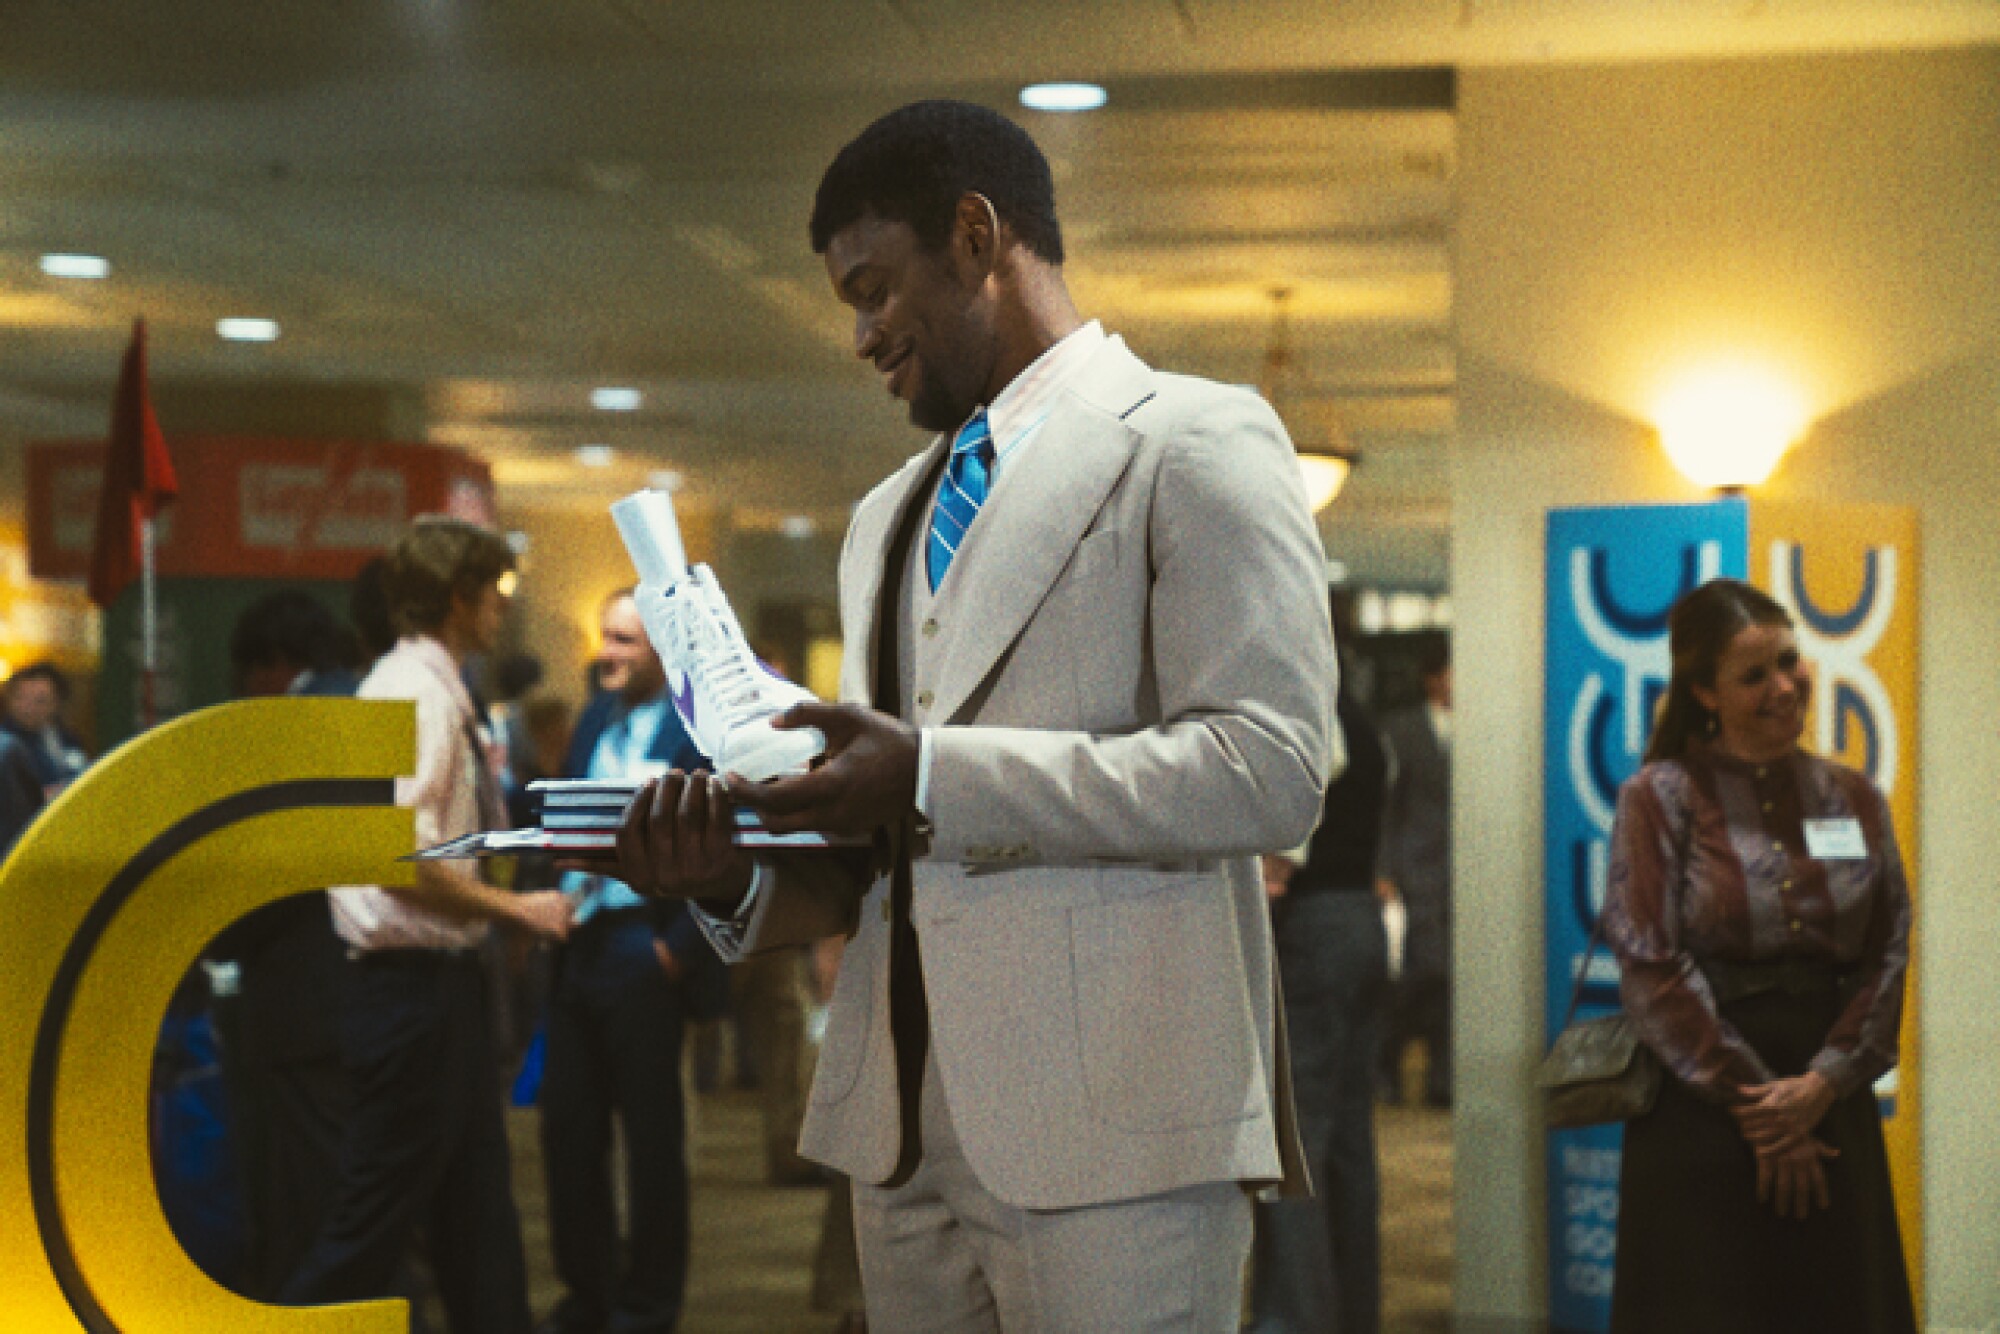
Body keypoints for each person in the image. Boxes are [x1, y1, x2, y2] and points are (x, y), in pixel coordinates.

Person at [601, 100, 1338, 1331]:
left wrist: (937, 773)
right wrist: (726, 873)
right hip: (900, 1137)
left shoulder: (1193, 441)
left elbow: (1266, 769)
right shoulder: (884, 517)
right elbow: (885, 853)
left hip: (1120, 1135)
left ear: (977, 233)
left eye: (875, 288)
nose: (860, 334)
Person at [280, 518, 572, 1334]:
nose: (500, 611)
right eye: (494, 593)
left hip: (434, 988)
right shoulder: (416, 692)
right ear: (458, 597)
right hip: (411, 992)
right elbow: (401, 857)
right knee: (371, 1224)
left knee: (476, 1212)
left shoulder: (426, 684)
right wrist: (518, 908)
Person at [1602, 578, 1915, 1333]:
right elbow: (1650, 963)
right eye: (1754, 676)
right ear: (1705, 692)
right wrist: (1761, 1110)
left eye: (1789, 661)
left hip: (1828, 1097)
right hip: (1703, 1110)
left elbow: (1888, 947)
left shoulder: (1854, 797)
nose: (1784, 687)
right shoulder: (1660, 797)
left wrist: (1820, 1087)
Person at [536, 589, 710, 1334]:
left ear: (664, 652)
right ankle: (590, 1293)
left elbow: (730, 851)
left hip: (649, 944)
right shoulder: (594, 723)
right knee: (566, 1131)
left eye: (625, 641)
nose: (607, 652)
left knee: (650, 1143)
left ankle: (647, 1305)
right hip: (580, 946)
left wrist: (679, 951)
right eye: (607, 637)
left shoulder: (694, 733)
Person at [206, 589, 364, 1297]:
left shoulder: (302, 722)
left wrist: (214, 930)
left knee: (308, 1194)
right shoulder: (360, 700)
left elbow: (279, 874)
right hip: (356, 989)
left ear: (272, 663)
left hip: (302, 995)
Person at [1252, 641, 1392, 1334]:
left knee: (1294, 1140)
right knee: (1344, 1142)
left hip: (1312, 927)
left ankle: (1296, 1318)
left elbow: (1281, 854)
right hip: (1360, 922)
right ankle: (1349, 1313)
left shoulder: (1299, 698)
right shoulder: (1359, 714)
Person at [1375, 637, 1452, 1107]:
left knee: (1453, 980)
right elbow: (1387, 805)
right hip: (1415, 869)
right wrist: (1382, 867)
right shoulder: (1401, 730)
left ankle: (1444, 1081)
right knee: (1419, 975)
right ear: (1433, 676)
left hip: (1460, 874)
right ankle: (1387, 1069)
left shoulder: (1483, 726)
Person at [1, 661, 90, 797]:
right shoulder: (6, 745)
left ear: (56, 703)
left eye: (40, 700)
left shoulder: (65, 738)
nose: (28, 707)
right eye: (21, 697)